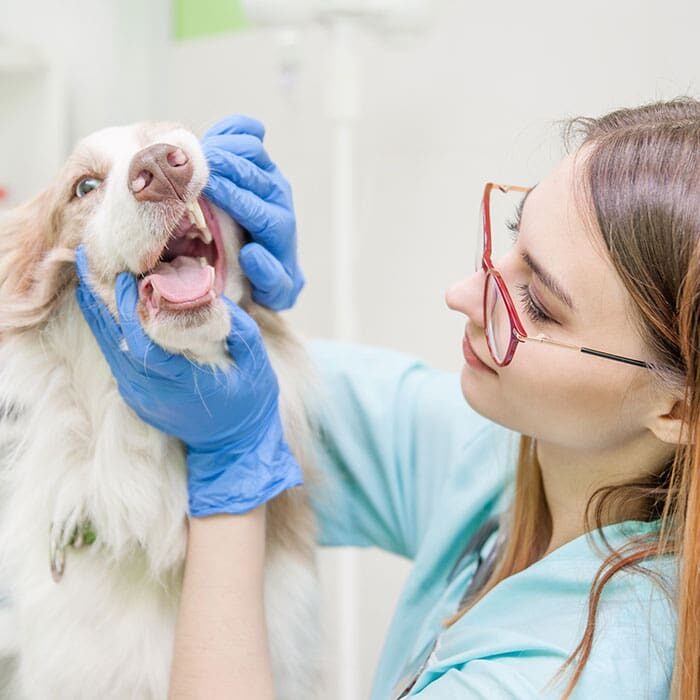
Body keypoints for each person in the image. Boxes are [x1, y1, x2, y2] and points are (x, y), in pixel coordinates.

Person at [73, 98, 700, 698]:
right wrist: (233, 294)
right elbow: (281, 399)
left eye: (537, 303)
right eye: (511, 237)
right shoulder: (512, 462)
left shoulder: (563, 680)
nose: (462, 294)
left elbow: (245, 428)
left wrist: (232, 466)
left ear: (677, 410)